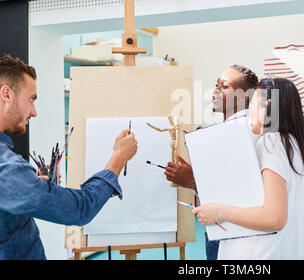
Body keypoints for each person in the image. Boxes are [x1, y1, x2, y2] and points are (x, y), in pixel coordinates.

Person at [0, 54, 138, 259]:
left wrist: (30, 184)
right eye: (31, 99)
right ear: (7, 94)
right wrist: (118, 160)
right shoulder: (8, 170)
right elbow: (80, 209)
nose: (34, 111)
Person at [193, 78, 304, 259]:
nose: (249, 111)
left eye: (253, 103)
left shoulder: (271, 142)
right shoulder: (291, 144)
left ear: (268, 104)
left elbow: (274, 218)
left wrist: (218, 212)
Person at [164, 64, 259, 260]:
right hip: (228, 232)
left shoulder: (238, 132)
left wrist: (191, 180)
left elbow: (240, 192)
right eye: (216, 85)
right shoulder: (237, 129)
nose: (215, 91)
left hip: (232, 236)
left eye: (224, 86)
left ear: (243, 97)